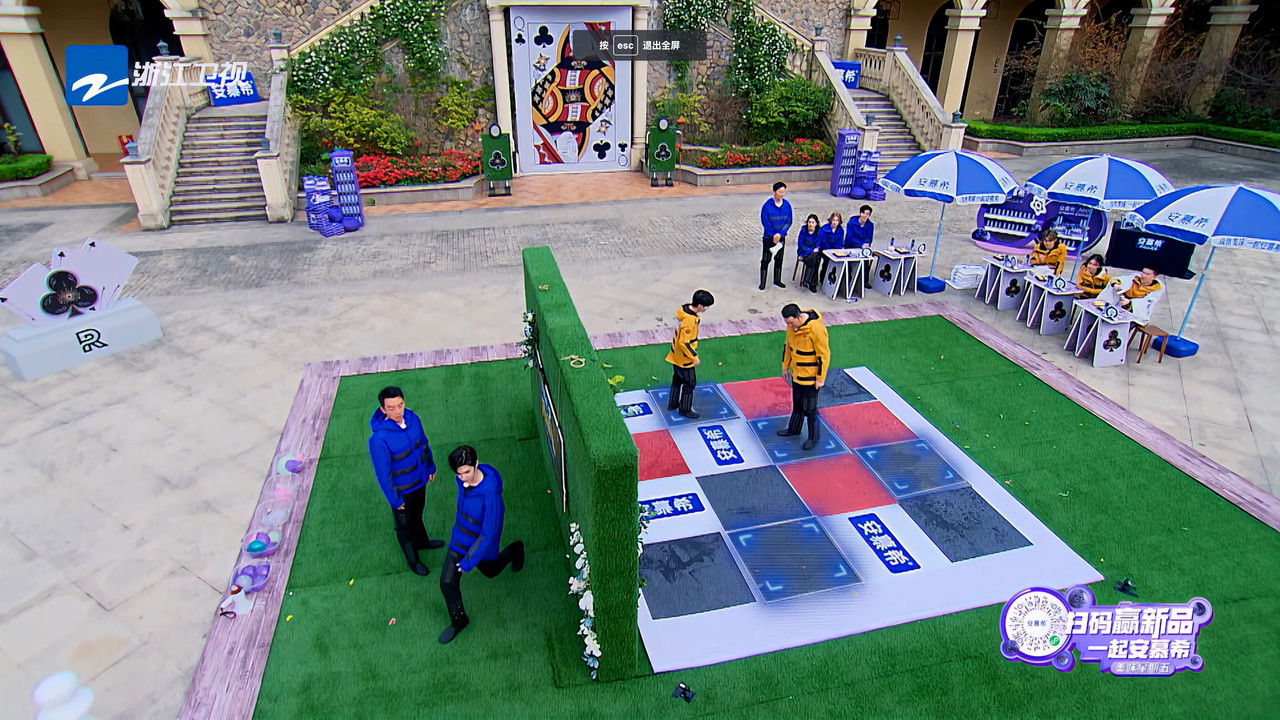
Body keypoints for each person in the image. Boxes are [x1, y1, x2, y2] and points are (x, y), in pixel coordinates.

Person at [438, 445, 525, 644]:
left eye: (466, 472)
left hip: (480, 548)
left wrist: (468, 561)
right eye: (459, 474)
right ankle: (459, 621)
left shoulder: (491, 496)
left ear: (476, 464)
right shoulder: (462, 482)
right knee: (447, 582)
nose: (463, 478)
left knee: (491, 571)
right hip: (459, 540)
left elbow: (488, 534)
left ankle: (516, 549)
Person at [368, 386, 444, 576]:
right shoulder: (378, 439)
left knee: (417, 514)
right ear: (383, 409)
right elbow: (383, 474)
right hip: (402, 491)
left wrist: (430, 467)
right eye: (391, 408)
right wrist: (395, 500)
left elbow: (424, 443)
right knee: (404, 527)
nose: (397, 411)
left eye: (400, 405)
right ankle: (413, 561)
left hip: (420, 481)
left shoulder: (413, 418)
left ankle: (423, 542)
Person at [777, 304, 831, 451]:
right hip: (797, 375)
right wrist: (785, 366)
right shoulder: (791, 328)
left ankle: (813, 438)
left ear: (799, 317)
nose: (789, 326)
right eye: (787, 323)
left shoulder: (816, 329)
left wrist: (820, 378)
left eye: (791, 322)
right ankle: (794, 429)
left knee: (810, 408)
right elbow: (787, 347)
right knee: (798, 404)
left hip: (810, 377)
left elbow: (823, 355)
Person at [665, 289, 715, 419]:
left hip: (676, 354)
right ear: (700, 306)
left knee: (677, 379)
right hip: (684, 358)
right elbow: (684, 342)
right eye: (706, 306)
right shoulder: (690, 320)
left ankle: (673, 403)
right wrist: (694, 356)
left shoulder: (684, 309)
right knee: (690, 383)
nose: (707, 309)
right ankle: (685, 409)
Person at [759, 181, 792, 291]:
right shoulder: (767, 206)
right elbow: (765, 221)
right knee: (766, 259)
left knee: (779, 259)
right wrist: (773, 234)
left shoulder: (787, 205)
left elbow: (789, 221)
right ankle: (763, 282)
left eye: (783, 192)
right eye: (780, 192)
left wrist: (780, 234)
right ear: (775, 192)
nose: (781, 194)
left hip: (781, 237)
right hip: (769, 237)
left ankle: (777, 280)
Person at [814, 212, 845, 292]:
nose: (835, 222)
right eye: (833, 220)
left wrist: (837, 250)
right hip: (824, 250)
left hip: (835, 251)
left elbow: (840, 242)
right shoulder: (824, 229)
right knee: (826, 262)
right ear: (831, 220)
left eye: (837, 220)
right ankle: (822, 280)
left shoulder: (841, 230)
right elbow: (821, 241)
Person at [795, 214, 823, 293]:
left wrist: (811, 251)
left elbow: (818, 246)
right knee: (815, 257)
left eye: (813, 222)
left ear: (816, 223)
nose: (810, 224)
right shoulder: (803, 230)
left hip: (812, 255)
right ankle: (812, 283)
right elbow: (801, 245)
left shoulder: (819, 232)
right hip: (803, 253)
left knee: (816, 257)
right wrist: (810, 251)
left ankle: (807, 279)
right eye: (809, 222)